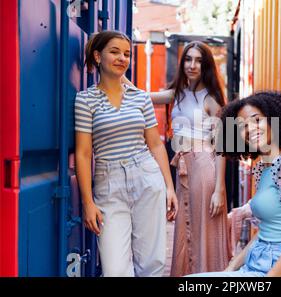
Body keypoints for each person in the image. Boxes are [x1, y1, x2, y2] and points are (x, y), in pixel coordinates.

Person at [74, 30, 178, 277]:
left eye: (127, 54)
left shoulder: (140, 97)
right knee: (115, 270)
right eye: (115, 52)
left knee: (152, 264)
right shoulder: (85, 100)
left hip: (146, 177)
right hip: (109, 184)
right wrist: (88, 203)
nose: (122, 58)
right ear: (98, 56)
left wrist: (169, 187)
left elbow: (154, 144)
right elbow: (84, 153)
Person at [125, 40, 232, 276]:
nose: (192, 65)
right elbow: (141, 96)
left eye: (198, 60)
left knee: (205, 227)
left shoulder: (211, 99)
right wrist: (117, 70)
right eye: (188, 59)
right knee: (186, 227)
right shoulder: (178, 94)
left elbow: (225, 144)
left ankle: (208, 276)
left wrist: (219, 189)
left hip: (205, 167)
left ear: (206, 66)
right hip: (184, 166)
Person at [189, 91, 281, 277]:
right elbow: (264, 232)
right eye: (243, 126)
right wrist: (230, 268)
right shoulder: (263, 169)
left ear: (275, 119)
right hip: (255, 264)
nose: (250, 129)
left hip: (279, 270)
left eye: (257, 120)